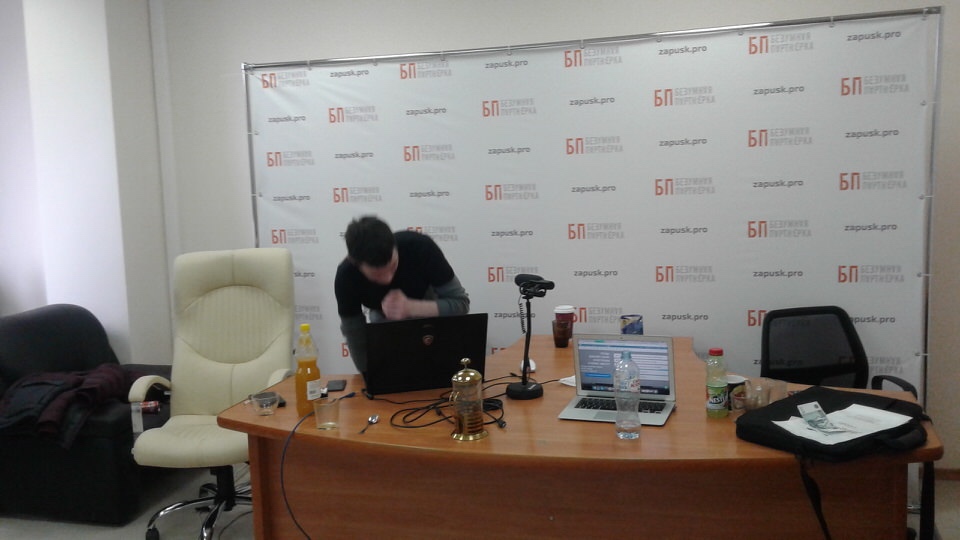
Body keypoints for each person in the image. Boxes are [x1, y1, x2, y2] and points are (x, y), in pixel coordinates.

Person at [335, 216, 470, 372]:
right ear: (356, 264)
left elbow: (461, 303)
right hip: (385, 333)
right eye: (377, 275)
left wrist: (411, 308)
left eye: (393, 267)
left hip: (434, 328)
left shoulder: (420, 247)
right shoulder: (346, 276)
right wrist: (369, 374)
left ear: (395, 247)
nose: (388, 279)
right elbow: (354, 333)